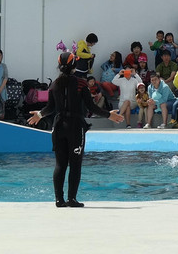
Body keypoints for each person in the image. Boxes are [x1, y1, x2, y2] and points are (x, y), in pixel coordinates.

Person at [28, 51, 124, 207]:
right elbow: (91, 105)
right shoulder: (81, 83)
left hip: (58, 127)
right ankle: (72, 199)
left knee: (60, 164)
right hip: (75, 127)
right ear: (74, 65)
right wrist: (109, 115)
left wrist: (39, 114)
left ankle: (59, 200)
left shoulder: (54, 85)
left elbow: (50, 108)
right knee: (75, 164)